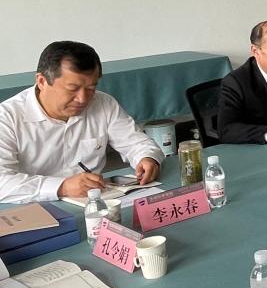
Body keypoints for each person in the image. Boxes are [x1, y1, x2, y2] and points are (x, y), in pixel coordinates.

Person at [0, 41, 164, 204]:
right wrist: (62, 187)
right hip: (33, 207)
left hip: (94, 203)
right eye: (72, 89)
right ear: (42, 81)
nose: (83, 99)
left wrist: (147, 158)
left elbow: (136, 143)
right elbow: (2, 182)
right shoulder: (7, 117)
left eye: (91, 88)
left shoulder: (103, 103)